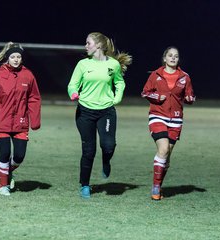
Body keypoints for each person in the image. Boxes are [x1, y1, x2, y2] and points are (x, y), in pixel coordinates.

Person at [67, 32, 132, 199]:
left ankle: (106, 160)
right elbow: (73, 84)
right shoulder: (82, 64)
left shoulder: (113, 65)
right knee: (88, 150)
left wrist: (117, 98)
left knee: (108, 145)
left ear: (99, 45)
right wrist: (74, 93)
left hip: (106, 111)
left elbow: (119, 82)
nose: (85, 46)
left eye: (88, 43)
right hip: (85, 112)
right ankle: (85, 186)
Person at [0, 42, 41, 196]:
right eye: (13, 56)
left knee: (19, 156)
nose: (16, 59)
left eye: (18, 57)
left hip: (21, 122)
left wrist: (35, 120)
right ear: (7, 58)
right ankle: (3, 186)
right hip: (2, 121)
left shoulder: (28, 75)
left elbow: (34, 98)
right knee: (5, 153)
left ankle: (6, 172)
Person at [141, 46, 195, 200]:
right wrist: (158, 97)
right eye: (170, 55)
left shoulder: (185, 77)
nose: (173, 58)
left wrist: (190, 99)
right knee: (163, 149)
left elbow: (189, 96)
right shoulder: (155, 75)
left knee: (167, 156)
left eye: (176, 56)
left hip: (176, 119)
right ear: (164, 58)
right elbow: (145, 92)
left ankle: (158, 184)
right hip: (157, 116)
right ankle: (156, 188)